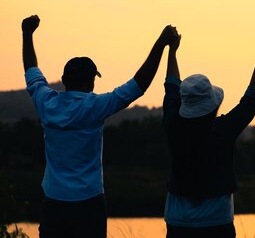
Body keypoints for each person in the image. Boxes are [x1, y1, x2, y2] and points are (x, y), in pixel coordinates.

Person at [21, 14, 179, 238]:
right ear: (91, 82)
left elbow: (31, 71)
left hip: (53, 202)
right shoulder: (95, 106)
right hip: (89, 203)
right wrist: (161, 44)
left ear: (64, 79)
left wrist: (27, 34)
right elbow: (138, 85)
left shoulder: (46, 103)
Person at [162, 29, 255, 238]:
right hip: (217, 221)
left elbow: (171, 87)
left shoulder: (172, 124)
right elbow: (253, 96)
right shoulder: (224, 130)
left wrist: (172, 51)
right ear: (212, 106)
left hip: (177, 222)